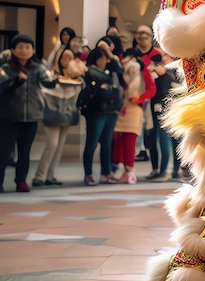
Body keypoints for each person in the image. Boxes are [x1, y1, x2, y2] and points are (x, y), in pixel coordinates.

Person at [0, 34, 57, 193]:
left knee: (25, 152)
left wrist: (55, 78)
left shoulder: (37, 68)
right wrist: (16, 81)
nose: (24, 51)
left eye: (27, 47)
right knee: (4, 151)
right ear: (13, 50)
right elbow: (3, 89)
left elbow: (48, 82)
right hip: (8, 116)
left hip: (31, 116)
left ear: (32, 50)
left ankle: (21, 181)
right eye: (20, 47)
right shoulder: (5, 68)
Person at [32, 48, 84, 187]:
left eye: (70, 57)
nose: (67, 60)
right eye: (64, 57)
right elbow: (44, 90)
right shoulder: (50, 75)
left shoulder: (78, 78)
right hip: (52, 113)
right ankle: (39, 176)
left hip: (67, 113)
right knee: (52, 144)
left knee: (59, 146)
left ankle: (50, 175)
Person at [80, 46, 123, 185]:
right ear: (97, 59)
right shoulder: (90, 72)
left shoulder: (111, 72)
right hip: (96, 111)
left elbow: (120, 72)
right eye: (104, 57)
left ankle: (106, 173)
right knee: (91, 143)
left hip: (111, 111)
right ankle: (88, 174)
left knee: (107, 143)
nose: (106, 60)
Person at [113, 49, 150, 184]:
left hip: (133, 108)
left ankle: (130, 171)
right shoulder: (126, 70)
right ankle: (126, 171)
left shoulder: (137, 68)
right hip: (125, 107)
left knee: (129, 140)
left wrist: (139, 98)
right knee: (123, 141)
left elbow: (150, 89)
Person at [146, 51, 183, 180]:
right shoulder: (173, 73)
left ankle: (165, 171)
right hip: (171, 109)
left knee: (165, 141)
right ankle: (173, 171)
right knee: (172, 141)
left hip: (165, 110)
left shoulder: (167, 73)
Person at [133, 25, 159, 164]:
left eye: (145, 33)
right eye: (139, 33)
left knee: (150, 128)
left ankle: (149, 153)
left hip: (153, 98)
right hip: (135, 95)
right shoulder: (133, 53)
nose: (142, 36)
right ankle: (139, 151)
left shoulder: (157, 54)